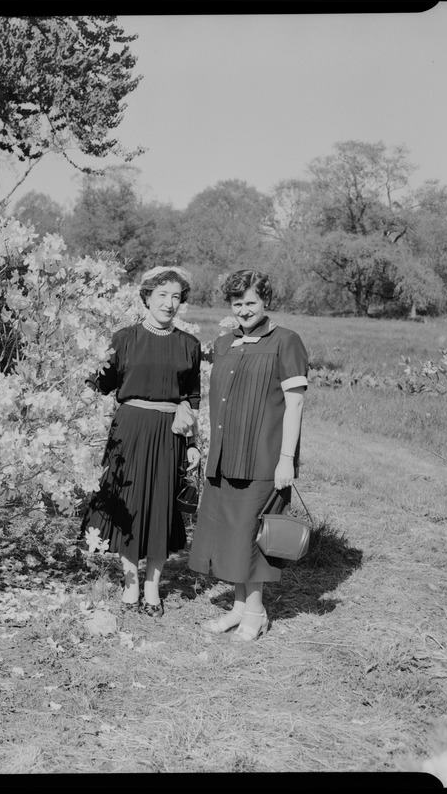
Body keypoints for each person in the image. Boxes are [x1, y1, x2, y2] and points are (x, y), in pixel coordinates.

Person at [188, 270, 308, 641]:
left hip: (263, 456)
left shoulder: (286, 342)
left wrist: (286, 458)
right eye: (237, 303)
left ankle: (256, 612)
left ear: (265, 301)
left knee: (252, 534)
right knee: (231, 534)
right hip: (225, 456)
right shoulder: (225, 344)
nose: (243, 310)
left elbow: (295, 403)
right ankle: (239, 608)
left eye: (250, 302)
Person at [81, 266, 202, 617]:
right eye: (162, 295)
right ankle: (131, 583)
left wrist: (193, 442)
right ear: (147, 297)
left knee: (162, 507)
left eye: (176, 296)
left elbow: (192, 398)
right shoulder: (124, 339)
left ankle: (154, 588)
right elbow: (97, 384)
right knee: (129, 504)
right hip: (130, 430)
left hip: (170, 434)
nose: (169, 303)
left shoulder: (189, 345)